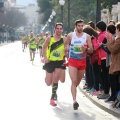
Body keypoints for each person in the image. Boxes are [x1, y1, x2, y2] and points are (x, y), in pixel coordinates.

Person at [64, 19, 93, 110]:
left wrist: (86, 50)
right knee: (74, 81)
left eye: (82, 26)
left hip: (82, 61)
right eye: (79, 26)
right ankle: (74, 101)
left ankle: (73, 90)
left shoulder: (87, 36)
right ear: (75, 26)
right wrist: (67, 49)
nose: (80, 27)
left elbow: (91, 50)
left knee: (77, 82)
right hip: (72, 61)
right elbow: (65, 45)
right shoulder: (70, 35)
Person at [42, 23, 66, 106]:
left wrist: (67, 54)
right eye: (57, 28)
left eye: (61, 29)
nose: (59, 30)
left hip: (59, 62)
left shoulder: (64, 39)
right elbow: (44, 47)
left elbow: (67, 49)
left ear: (62, 30)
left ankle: (52, 98)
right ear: (55, 29)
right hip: (50, 62)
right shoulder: (49, 39)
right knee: (48, 82)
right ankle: (48, 80)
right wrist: (45, 57)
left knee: (56, 80)